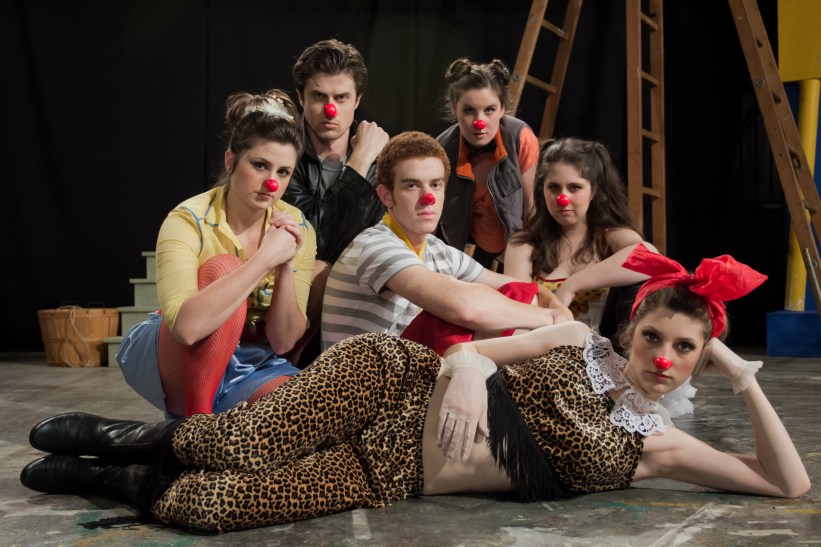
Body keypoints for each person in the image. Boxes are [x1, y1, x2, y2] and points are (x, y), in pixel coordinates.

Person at [20, 245, 810, 533]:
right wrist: (466, 367)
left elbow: (787, 484)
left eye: (684, 349)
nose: (664, 358)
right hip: (391, 383)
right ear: (632, 328)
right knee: (240, 440)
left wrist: (744, 379)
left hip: (392, 470)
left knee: (214, 506)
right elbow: (476, 350)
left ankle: (110, 478)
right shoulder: (574, 340)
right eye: (654, 337)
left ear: (700, 358)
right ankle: (113, 435)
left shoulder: (658, 447)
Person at [115, 89, 316, 418]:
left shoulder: (296, 227)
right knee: (225, 267)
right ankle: (197, 427)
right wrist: (264, 259)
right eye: (260, 165)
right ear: (230, 161)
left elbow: (283, 343)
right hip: (179, 353)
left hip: (251, 365)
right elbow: (187, 328)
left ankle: (204, 433)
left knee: (304, 409)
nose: (272, 183)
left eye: (283, 172)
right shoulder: (187, 219)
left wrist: (285, 265)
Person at [320, 131, 571, 352]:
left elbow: (524, 290)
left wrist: (556, 307)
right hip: (363, 385)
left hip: (408, 376)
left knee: (518, 297)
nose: (428, 197)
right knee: (462, 316)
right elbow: (466, 308)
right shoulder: (374, 244)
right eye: (412, 186)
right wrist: (551, 319)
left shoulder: (438, 250)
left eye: (435, 185)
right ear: (386, 196)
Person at [283, 39, 389, 362]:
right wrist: (359, 163)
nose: (331, 109)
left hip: (368, 284)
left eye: (341, 98)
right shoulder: (282, 154)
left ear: (357, 100)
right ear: (301, 97)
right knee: (321, 269)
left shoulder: (384, 161)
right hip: (300, 293)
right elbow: (314, 241)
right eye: (319, 96)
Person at [505, 137, 656, 332]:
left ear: (593, 191)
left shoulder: (609, 237)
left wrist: (572, 285)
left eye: (574, 187)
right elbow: (516, 316)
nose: (562, 198)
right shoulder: (524, 244)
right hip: (539, 344)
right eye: (554, 187)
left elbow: (649, 257)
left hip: (602, 348)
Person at [435, 58, 540, 269]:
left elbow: (531, 211)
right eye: (469, 110)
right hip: (460, 250)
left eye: (489, 110)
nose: (479, 122)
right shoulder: (441, 150)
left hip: (517, 243)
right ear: (454, 108)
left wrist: (530, 265)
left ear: (502, 109)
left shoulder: (519, 138)